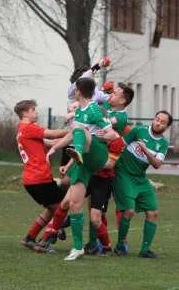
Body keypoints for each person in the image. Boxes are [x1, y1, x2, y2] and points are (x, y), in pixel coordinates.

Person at [44, 77, 118, 261]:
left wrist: (105, 135)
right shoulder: (80, 112)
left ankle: (77, 154)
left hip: (97, 154)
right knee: (74, 204)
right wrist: (54, 148)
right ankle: (77, 248)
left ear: (78, 91)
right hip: (83, 161)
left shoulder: (93, 109)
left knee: (80, 132)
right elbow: (71, 134)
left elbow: (113, 134)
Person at [83, 84, 135, 256]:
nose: (110, 95)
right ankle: (93, 242)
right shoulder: (106, 106)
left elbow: (103, 127)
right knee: (91, 204)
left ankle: (121, 243)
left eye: (115, 94)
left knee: (117, 206)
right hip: (96, 162)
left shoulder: (120, 118)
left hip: (111, 165)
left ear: (122, 100)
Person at [113, 111, 172, 259]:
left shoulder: (163, 143)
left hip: (140, 177)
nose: (158, 123)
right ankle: (120, 245)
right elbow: (119, 145)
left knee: (153, 212)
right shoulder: (138, 131)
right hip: (123, 173)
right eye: (157, 119)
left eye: (162, 122)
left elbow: (157, 164)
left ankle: (145, 250)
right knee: (129, 211)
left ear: (167, 126)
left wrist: (145, 149)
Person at [13, 99, 70, 250]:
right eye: (33, 109)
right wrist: (77, 130)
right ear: (25, 113)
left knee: (52, 210)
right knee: (63, 208)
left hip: (36, 179)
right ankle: (52, 235)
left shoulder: (24, 130)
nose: (36, 112)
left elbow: (53, 142)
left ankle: (30, 238)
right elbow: (53, 133)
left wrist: (71, 138)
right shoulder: (28, 128)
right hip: (38, 179)